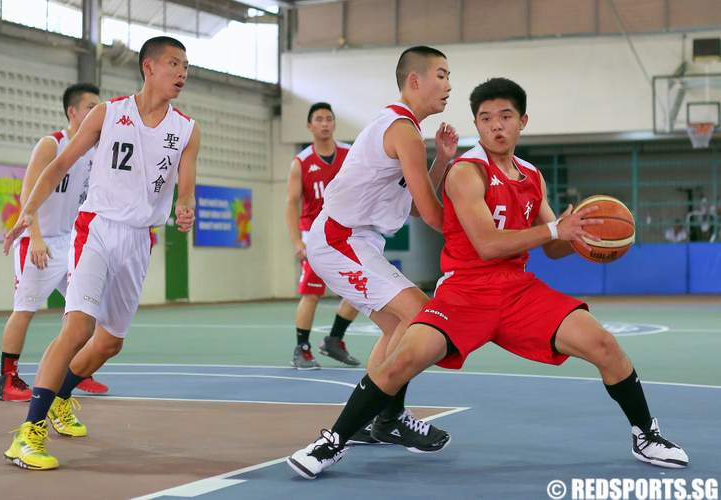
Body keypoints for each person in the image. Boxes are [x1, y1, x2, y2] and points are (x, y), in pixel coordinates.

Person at [287, 77, 688, 479]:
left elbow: (553, 245)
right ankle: (332, 443)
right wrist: (554, 231)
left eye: (505, 117)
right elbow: (488, 245)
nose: (496, 125)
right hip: (464, 291)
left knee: (603, 344)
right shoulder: (466, 171)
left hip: (518, 292)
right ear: (476, 126)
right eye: (486, 118)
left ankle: (647, 435)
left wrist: (584, 236)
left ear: (522, 121)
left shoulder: (531, 175)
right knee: (403, 358)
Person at [1, 36, 200, 471]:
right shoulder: (109, 113)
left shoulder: (186, 129)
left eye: (186, 65)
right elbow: (59, 166)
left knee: (109, 342)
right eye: (174, 63)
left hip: (139, 238)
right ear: (149, 67)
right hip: (96, 228)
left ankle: (61, 397)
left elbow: (186, 189)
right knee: (77, 327)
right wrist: (28, 211)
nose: (183, 72)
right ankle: (28, 434)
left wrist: (185, 209)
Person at [289, 46, 459, 452]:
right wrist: (481, 238)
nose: (449, 85)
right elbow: (433, 216)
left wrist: (443, 161)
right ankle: (390, 418)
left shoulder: (404, 129)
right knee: (422, 314)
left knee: (401, 326)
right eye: (441, 74)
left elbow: (417, 207)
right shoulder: (402, 128)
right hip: (338, 239)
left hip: (353, 240)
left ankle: (378, 417)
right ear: (414, 81)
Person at [0, 83, 109, 402]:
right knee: (25, 309)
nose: (95, 112)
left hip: (71, 243)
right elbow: (28, 191)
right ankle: (7, 379)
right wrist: (35, 238)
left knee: (85, 310)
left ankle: (77, 372)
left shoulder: (91, 150)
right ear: (73, 112)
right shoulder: (52, 144)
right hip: (40, 242)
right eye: (90, 107)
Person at [286, 102, 361, 369]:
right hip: (314, 236)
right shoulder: (302, 162)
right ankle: (302, 348)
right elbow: (292, 204)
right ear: (309, 126)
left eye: (329, 119)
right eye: (319, 119)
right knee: (311, 293)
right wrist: (297, 242)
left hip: (344, 233)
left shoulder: (349, 154)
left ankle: (334, 340)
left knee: (361, 288)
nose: (325, 123)